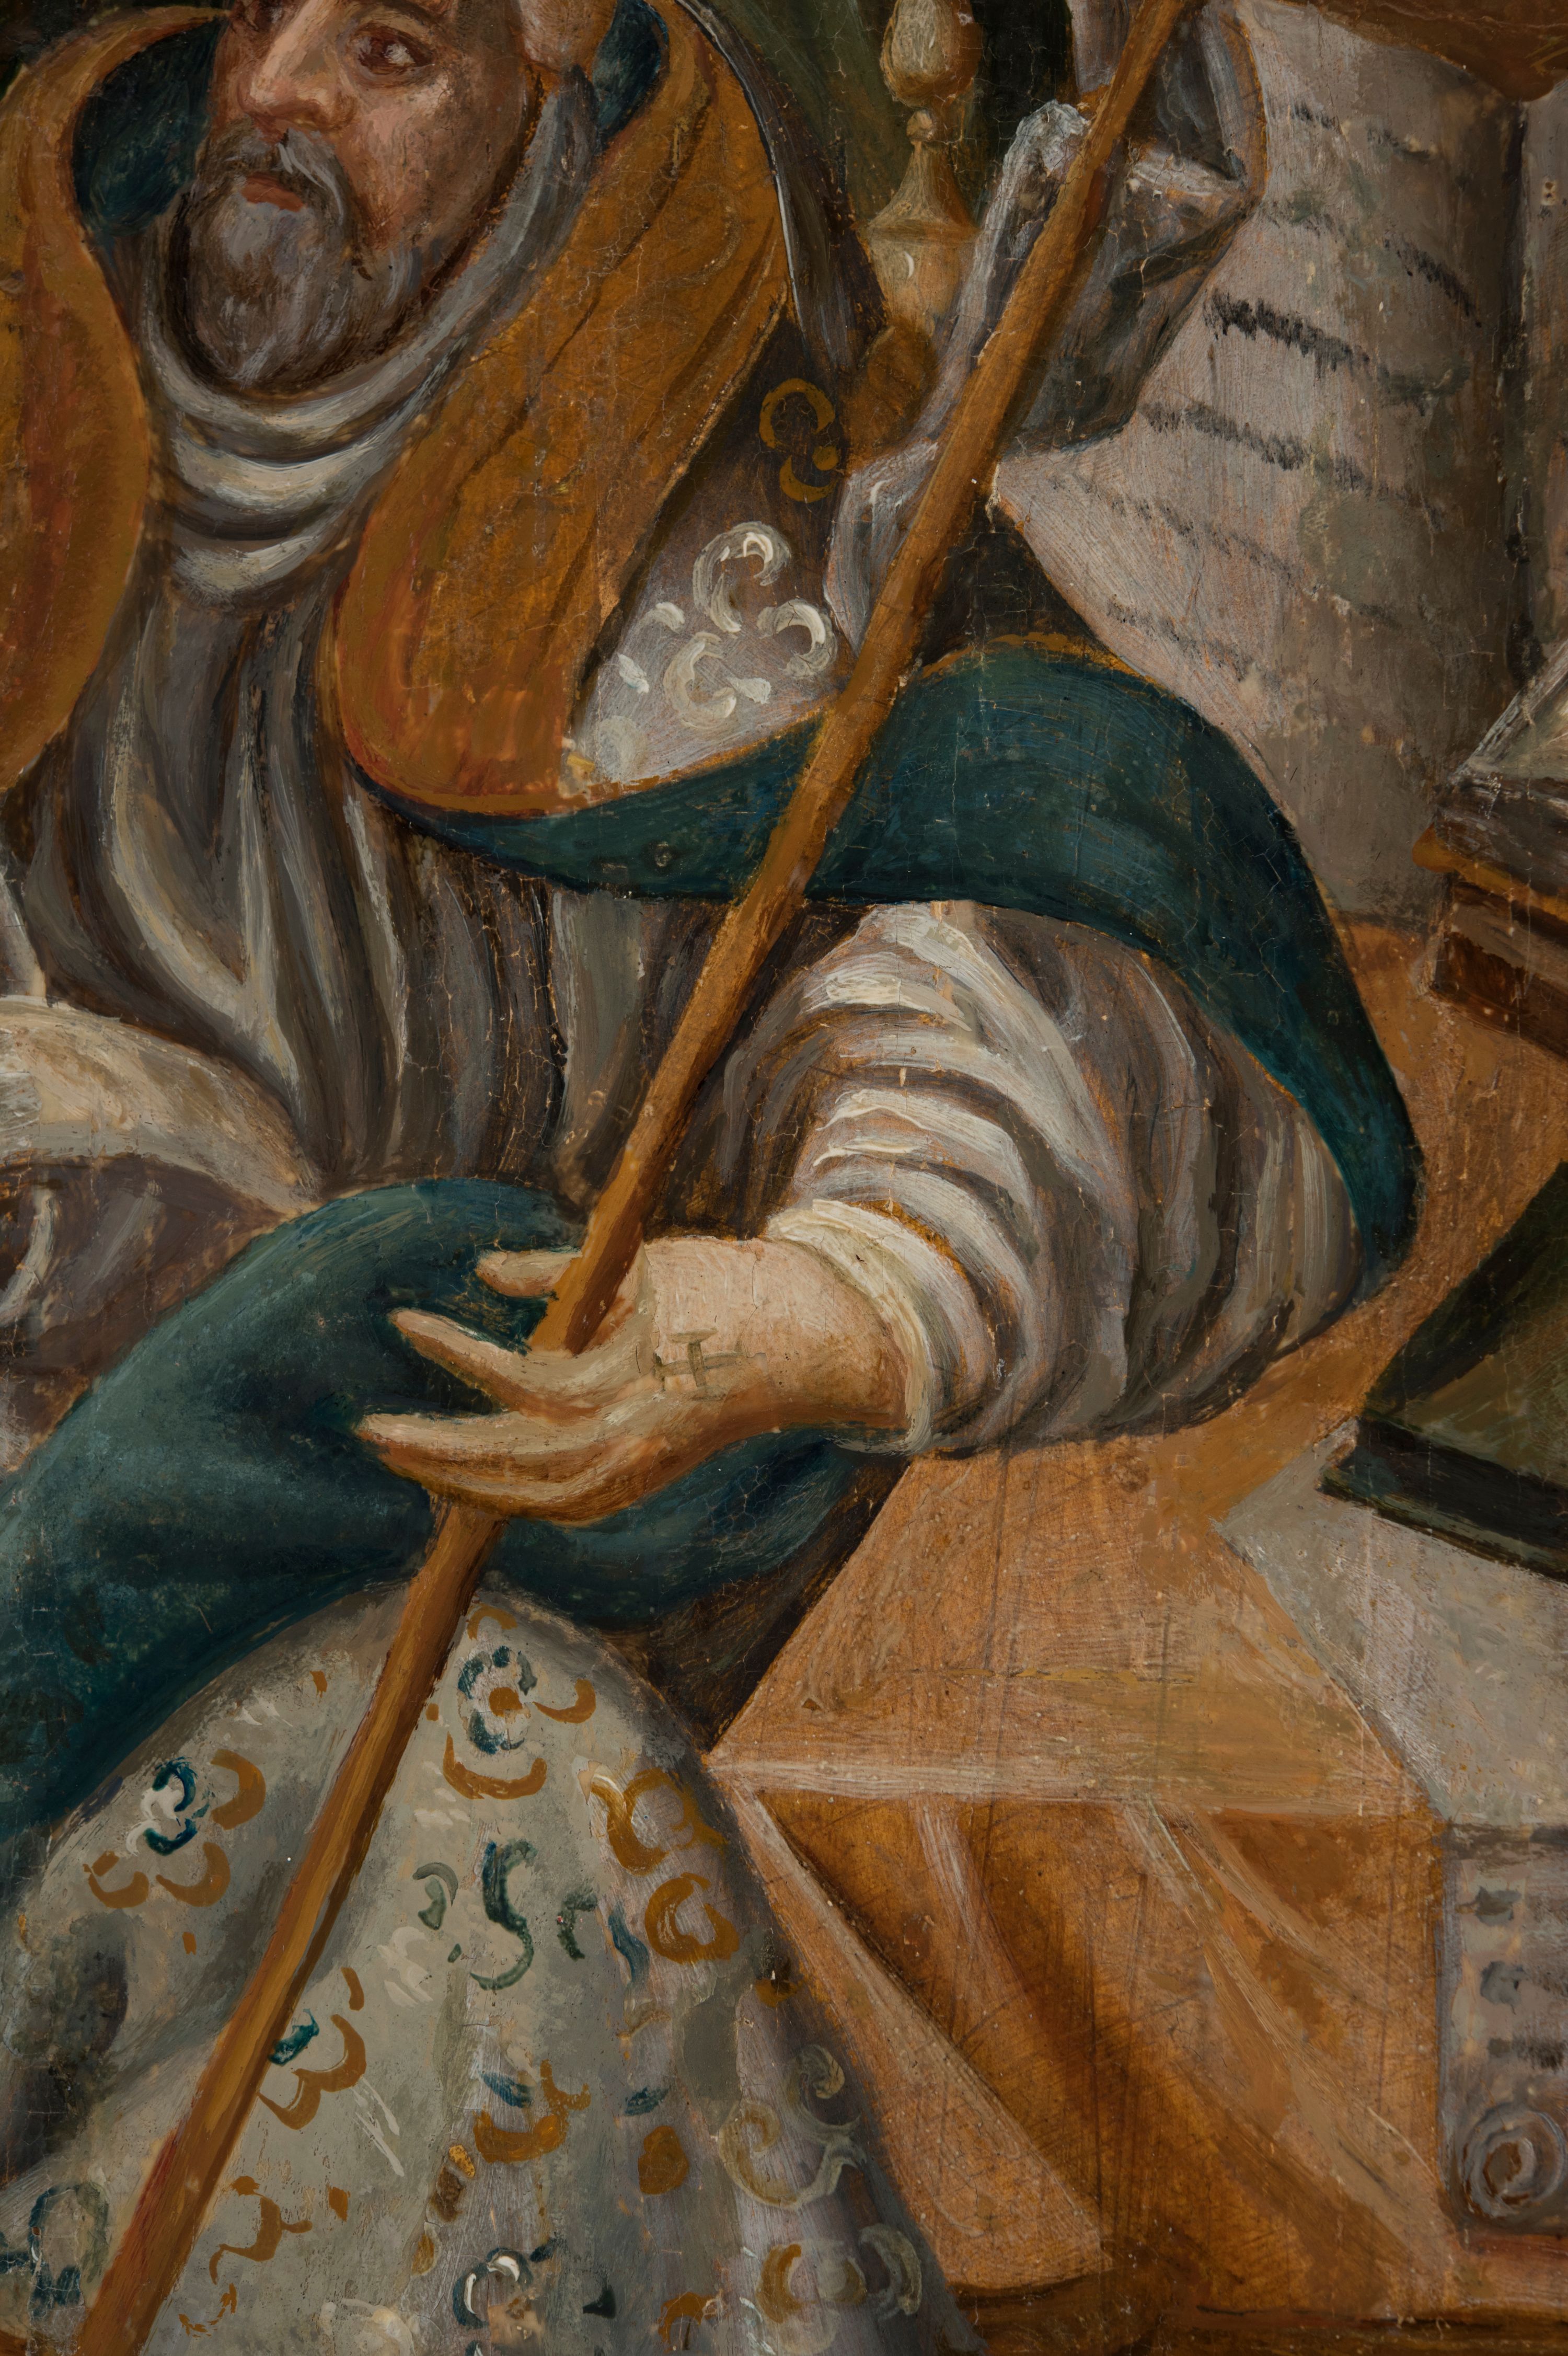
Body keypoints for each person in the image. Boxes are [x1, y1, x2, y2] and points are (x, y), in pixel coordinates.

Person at [0, 0, 1418, 2338]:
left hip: (389, 1567)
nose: (273, 98)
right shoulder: (42, 383)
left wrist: (828, 1293)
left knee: (531, 1823)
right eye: (262, 18)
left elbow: (1015, 935)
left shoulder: (666, 502)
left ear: (560, 66)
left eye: (388, 51)